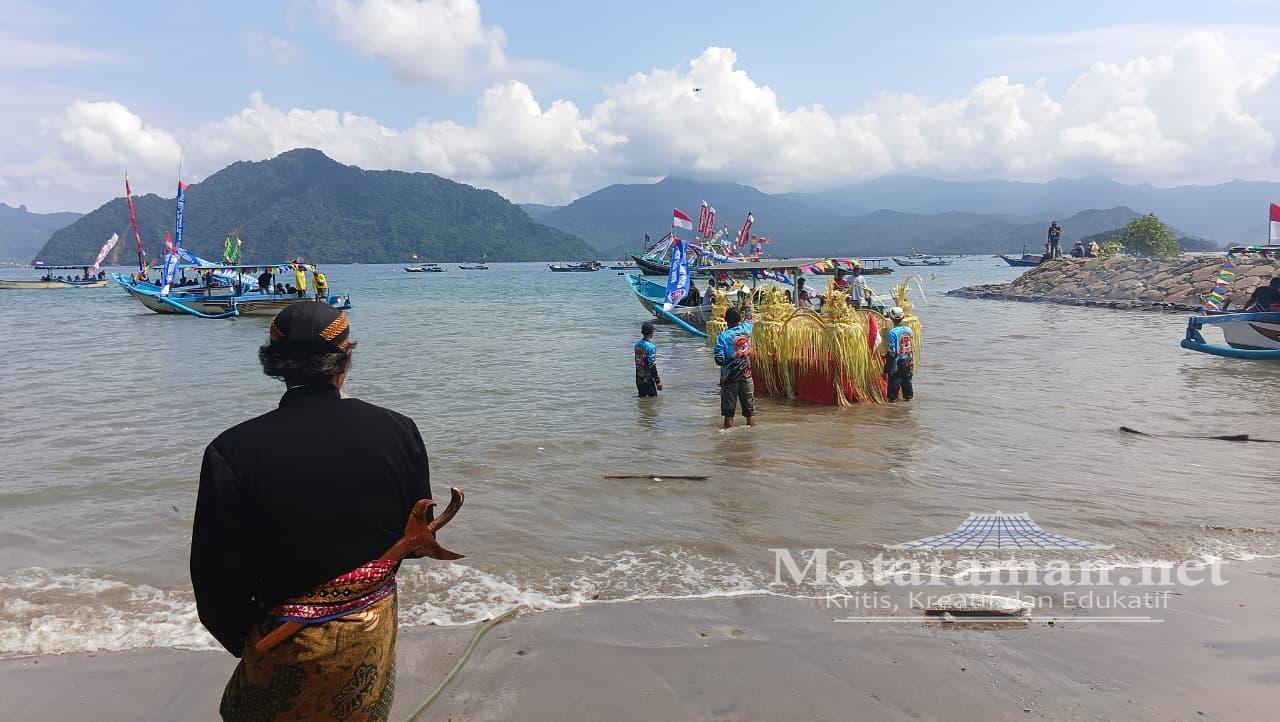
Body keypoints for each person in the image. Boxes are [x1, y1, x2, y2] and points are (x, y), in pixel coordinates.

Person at [191, 302, 434, 721]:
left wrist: (251, 641)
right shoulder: (399, 430)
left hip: (282, 642)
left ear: (276, 364)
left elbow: (214, 581)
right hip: (369, 632)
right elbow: (416, 541)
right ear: (345, 358)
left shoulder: (232, 451)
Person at [714, 307, 756, 428]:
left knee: (729, 414)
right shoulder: (747, 329)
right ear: (740, 319)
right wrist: (747, 306)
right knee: (750, 412)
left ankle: (728, 443)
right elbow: (749, 318)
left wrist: (732, 356)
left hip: (730, 378)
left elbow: (719, 360)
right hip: (746, 376)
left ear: (726, 321)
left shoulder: (723, 337)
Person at [884, 306, 915, 402]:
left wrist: (891, 367)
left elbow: (893, 351)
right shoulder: (909, 330)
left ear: (891, 318)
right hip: (909, 360)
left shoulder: (892, 333)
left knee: (893, 389)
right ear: (902, 317)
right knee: (907, 385)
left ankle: (893, 410)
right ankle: (907, 408)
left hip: (898, 362)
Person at [634, 322, 662, 397]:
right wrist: (658, 382)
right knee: (653, 402)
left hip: (638, 379)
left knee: (642, 400)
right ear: (652, 332)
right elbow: (652, 365)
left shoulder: (637, 345)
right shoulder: (651, 347)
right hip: (648, 380)